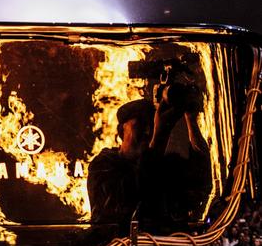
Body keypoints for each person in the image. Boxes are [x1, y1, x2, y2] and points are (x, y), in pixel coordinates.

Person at [87, 89, 210, 232]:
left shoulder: (163, 164)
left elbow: (202, 180)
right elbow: (125, 199)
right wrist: (160, 137)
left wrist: (190, 119)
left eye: (152, 126)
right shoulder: (103, 165)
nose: (148, 132)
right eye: (140, 125)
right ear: (121, 131)